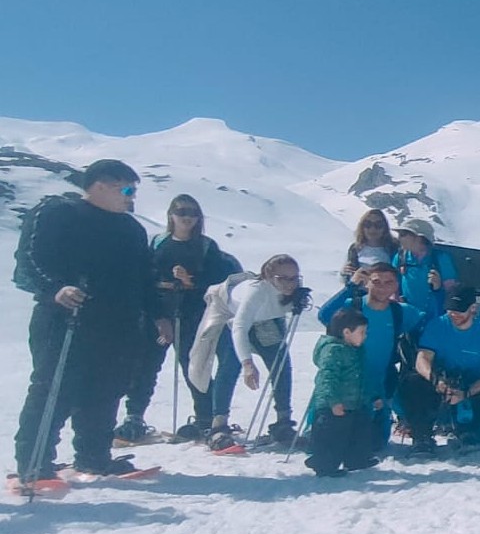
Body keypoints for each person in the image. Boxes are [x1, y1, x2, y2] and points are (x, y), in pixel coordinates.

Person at [11, 160, 161, 492]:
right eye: (127, 190)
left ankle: (93, 457)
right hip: (66, 318)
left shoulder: (131, 229)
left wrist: (157, 315)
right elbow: (30, 259)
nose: (131, 197)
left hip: (116, 323)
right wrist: (55, 288)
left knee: (105, 390)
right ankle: (34, 464)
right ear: (100, 185)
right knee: (54, 388)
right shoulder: (58, 213)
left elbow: (144, 279)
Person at [117, 193, 234, 443]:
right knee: (146, 364)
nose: (187, 217)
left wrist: (191, 282)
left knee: (194, 366)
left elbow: (217, 282)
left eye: (192, 213)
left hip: (190, 313)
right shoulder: (158, 243)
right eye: (182, 212)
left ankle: (206, 418)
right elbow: (145, 277)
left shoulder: (206, 246)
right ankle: (134, 417)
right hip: (159, 313)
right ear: (171, 214)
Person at [200, 254, 309, 452]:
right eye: (282, 278)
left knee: (281, 366)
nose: (289, 284)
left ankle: (283, 422)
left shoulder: (293, 292)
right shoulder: (256, 292)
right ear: (268, 276)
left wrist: (297, 304)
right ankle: (218, 425)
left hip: (267, 322)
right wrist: (248, 364)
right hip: (233, 319)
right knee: (229, 367)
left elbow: (283, 307)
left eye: (293, 278)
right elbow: (240, 327)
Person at [316, 262, 426, 451]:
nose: (382, 287)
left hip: (380, 385)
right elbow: (325, 315)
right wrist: (350, 287)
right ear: (367, 283)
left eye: (388, 282)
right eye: (376, 282)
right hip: (345, 383)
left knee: (375, 445)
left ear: (396, 285)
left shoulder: (399, 312)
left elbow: (430, 322)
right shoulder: (353, 306)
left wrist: (439, 291)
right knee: (332, 441)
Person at [401, 287, 480, 454]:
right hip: (441, 379)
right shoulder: (437, 325)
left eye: (460, 311)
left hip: (470, 383)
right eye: (451, 311)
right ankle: (422, 435)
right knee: (413, 382)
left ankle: (468, 429)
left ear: (472, 308)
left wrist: (465, 393)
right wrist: (435, 379)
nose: (454, 315)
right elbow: (422, 359)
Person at [306, 309, 376, 478]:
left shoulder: (355, 350)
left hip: (353, 403)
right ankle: (324, 465)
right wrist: (333, 401)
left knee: (356, 432)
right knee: (332, 437)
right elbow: (327, 377)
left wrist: (371, 397)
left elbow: (359, 378)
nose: (365, 336)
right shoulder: (333, 351)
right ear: (346, 332)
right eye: (362, 332)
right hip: (334, 406)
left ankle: (356, 459)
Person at [394, 219, 456, 319]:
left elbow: (452, 291)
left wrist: (439, 287)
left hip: (436, 317)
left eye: (403, 234)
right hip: (408, 317)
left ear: (419, 238)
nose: (399, 238)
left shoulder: (440, 258)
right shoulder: (401, 257)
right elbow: (393, 283)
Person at [341, 209, 401, 284]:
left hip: (386, 291)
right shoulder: (355, 248)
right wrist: (344, 273)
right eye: (368, 225)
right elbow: (348, 277)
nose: (372, 229)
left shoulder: (394, 247)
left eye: (378, 225)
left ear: (385, 228)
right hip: (359, 292)